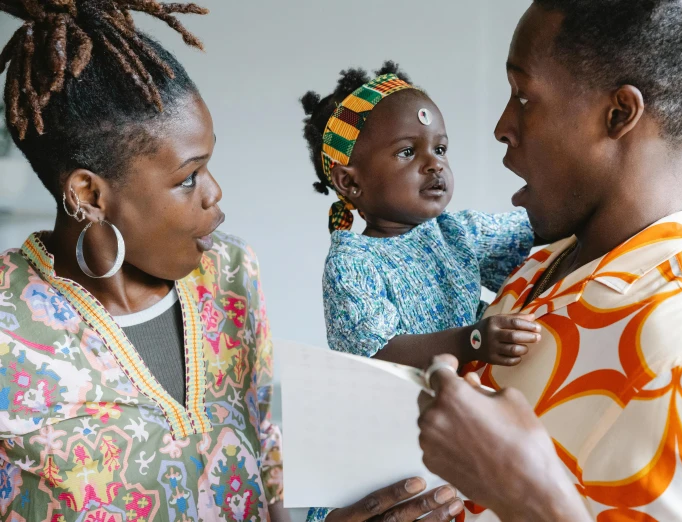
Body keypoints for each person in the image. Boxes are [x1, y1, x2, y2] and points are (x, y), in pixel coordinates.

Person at [0, 2, 460, 521]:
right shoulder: (8, 328)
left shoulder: (229, 272)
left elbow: (267, 467)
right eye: (187, 177)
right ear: (89, 193)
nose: (215, 193)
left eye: (209, 163)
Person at [418, 1, 682, 521]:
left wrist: (530, 496)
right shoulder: (555, 261)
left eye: (524, 96)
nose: (503, 125)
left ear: (619, 114)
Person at [301, 62, 540, 371]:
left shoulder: (455, 232)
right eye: (407, 152)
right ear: (349, 181)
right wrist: (472, 341)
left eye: (440, 148)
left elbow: (538, 229)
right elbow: (376, 353)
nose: (435, 164)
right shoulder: (352, 263)